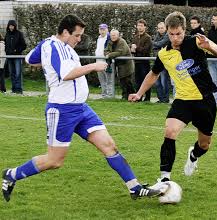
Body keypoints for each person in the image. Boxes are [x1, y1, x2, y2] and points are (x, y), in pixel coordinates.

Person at [2, 14, 164, 202]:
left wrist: (47, 60)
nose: (79, 40)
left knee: (109, 145)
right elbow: (67, 73)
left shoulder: (51, 44)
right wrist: (94, 66)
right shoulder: (57, 46)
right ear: (64, 32)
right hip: (62, 110)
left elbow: (30, 59)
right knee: (54, 161)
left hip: (81, 108)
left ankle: (134, 188)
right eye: (77, 35)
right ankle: (11, 175)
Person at [129, 11, 217, 183]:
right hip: (182, 100)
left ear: (184, 30)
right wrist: (139, 93)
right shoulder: (163, 54)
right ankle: (164, 179)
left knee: (204, 145)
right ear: (167, 31)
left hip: (204, 101)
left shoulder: (197, 41)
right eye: (171, 34)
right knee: (170, 131)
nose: (175, 38)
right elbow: (153, 74)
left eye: (179, 34)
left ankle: (193, 155)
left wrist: (209, 46)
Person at [105, 29, 135, 100]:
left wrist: (109, 55)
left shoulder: (122, 42)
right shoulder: (110, 42)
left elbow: (120, 53)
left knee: (128, 82)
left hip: (127, 65)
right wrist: (108, 53)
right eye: (112, 35)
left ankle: (133, 96)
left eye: (114, 35)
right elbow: (106, 50)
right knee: (122, 81)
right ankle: (125, 96)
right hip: (120, 65)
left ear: (118, 35)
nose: (113, 37)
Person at [131, 19, 152, 101]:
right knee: (138, 80)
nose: (139, 27)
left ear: (145, 27)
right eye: (138, 26)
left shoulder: (148, 38)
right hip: (137, 61)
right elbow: (133, 47)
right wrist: (132, 48)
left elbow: (146, 50)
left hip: (144, 62)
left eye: (141, 26)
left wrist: (136, 48)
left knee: (146, 79)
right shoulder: (135, 37)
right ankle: (138, 97)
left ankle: (147, 98)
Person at [4, 20, 26, 94]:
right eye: (10, 26)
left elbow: (24, 45)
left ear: (14, 26)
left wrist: (17, 50)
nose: (11, 27)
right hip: (9, 57)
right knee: (12, 73)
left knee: (18, 73)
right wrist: (7, 51)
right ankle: (13, 89)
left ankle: (19, 89)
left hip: (17, 56)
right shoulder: (7, 34)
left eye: (12, 26)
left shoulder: (19, 34)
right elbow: (5, 44)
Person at [152, 22, 170, 103]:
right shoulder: (157, 35)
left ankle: (165, 99)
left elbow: (161, 43)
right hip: (157, 60)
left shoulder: (168, 35)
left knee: (164, 81)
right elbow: (155, 45)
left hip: (164, 62)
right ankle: (160, 98)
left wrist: (156, 44)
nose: (160, 30)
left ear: (165, 28)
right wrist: (157, 45)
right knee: (157, 81)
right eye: (159, 28)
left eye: (162, 28)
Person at [95, 23, 112, 98]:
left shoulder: (109, 38)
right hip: (98, 61)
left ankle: (110, 95)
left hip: (106, 62)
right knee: (101, 79)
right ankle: (104, 94)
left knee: (108, 78)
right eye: (101, 29)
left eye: (103, 29)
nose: (102, 31)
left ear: (107, 30)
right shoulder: (98, 38)